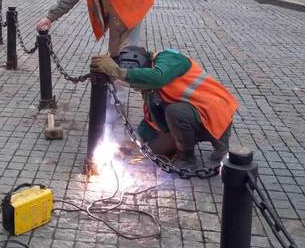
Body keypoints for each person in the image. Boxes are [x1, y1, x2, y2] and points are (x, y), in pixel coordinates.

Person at [90, 46, 237, 169]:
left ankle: (188, 158)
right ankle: (186, 142)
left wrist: (119, 72)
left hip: (214, 111)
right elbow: (151, 119)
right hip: (192, 116)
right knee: (153, 151)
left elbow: (158, 77)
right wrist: (136, 141)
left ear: (143, 66)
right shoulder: (150, 89)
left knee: (175, 112)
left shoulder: (170, 58)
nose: (135, 87)